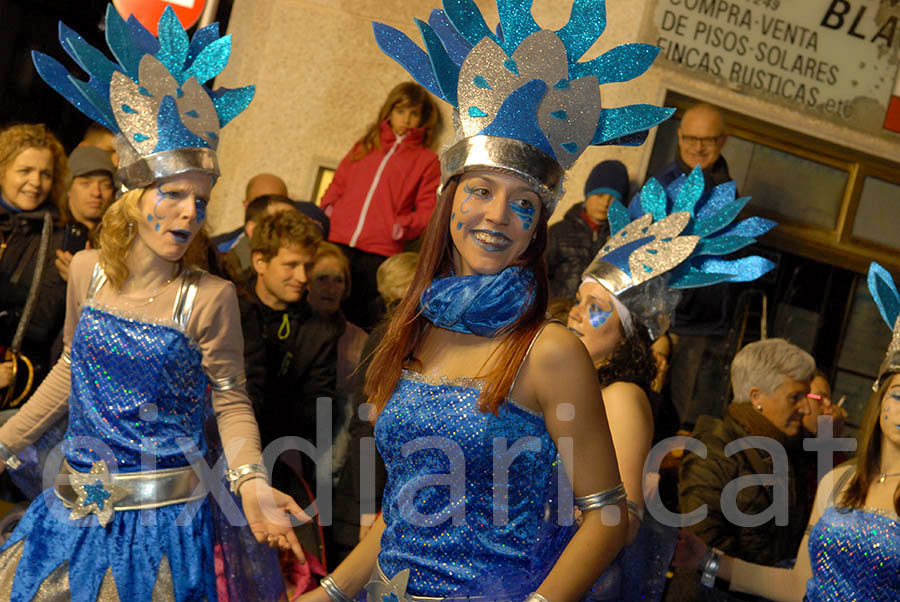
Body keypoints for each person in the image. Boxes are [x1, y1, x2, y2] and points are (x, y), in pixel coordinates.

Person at [299, 1, 678, 600]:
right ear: (450, 202)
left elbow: (607, 518)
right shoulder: (413, 328)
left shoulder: (550, 351)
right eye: (481, 191)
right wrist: (328, 594)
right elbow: (400, 518)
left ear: (535, 230)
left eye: (523, 204)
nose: (498, 216)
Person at [1, 7, 306, 599]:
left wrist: (248, 481)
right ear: (135, 195)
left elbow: (231, 400)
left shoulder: (209, 297)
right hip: (73, 507)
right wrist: (8, 439)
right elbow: (71, 368)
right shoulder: (86, 274)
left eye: (200, 199)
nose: (190, 213)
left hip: (164, 526)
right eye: (173, 194)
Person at [567, 167, 775, 602]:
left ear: (626, 335)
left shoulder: (621, 398)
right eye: (578, 302)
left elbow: (616, 525)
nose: (575, 314)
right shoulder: (580, 388)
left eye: (596, 307)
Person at [672, 261, 900, 601]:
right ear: (881, 398)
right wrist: (708, 560)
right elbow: (798, 583)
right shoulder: (839, 481)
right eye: (898, 394)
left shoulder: (793, 455)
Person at [668, 338, 817, 601]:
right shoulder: (714, 447)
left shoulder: (787, 450)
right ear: (756, 397)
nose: (805, 407)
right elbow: (702, 540)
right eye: (795, 397)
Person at [320, 81, 441, 329]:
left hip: (381, 251)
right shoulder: (366, 145)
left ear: (422, 118)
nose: (406, 119)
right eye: (400, 111)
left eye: (414, 113)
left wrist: (402, 226)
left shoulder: (426, 160)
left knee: (362, 316)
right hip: (339, 240)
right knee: (327, 309)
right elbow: (339, 181)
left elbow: (428, 207)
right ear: (389, 111)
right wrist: (330, 207)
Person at [330, 251, 419, 566]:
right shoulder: (390, 338)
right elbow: (367, 425)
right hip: (372, 501)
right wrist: (367, 506)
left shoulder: (404, 336)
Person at [0, 123, 68, 398]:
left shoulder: (59, 238)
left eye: (45, 174)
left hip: (23, 384)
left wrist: (76, 281)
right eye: (24, 171)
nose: (36, 183)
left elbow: (43, 324)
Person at [547, 159, 628, 299]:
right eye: (600, 195)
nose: (605, 203)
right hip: (557, 313)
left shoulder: (620, 238)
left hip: (594, 316)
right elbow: (536, 277)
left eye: (613, 198)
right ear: (587, 195)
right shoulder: (558, 233)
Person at [306, 242, 367, 396]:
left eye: (338, 280)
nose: (331, 288)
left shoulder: (360, 340)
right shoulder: (290, 333)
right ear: (305, 281)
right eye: (322, 278)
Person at [54, 145, 116, 282]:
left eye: (105, 185)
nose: (96, 193)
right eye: (85, 183)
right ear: (69, 189)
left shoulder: (120, 240)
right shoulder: (47, 233)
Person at [220, 193, 296, 286]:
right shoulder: (223, 272)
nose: (292, 233)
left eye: (294, 225)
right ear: (252, 229)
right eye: (281, 225)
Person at [210, 172, 290, 259]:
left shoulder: (303, 242)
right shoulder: (220, 251)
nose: (271, 211)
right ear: (247, 206)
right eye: (261, 204)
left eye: (279, 202)